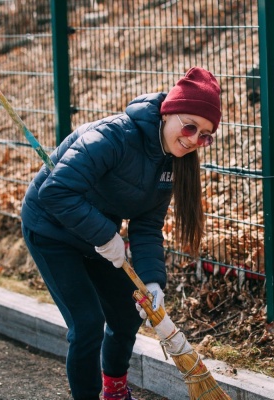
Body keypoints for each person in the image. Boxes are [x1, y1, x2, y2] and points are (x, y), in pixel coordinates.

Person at [20, 67, 222, 400]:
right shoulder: (114, 136)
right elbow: (55, 192)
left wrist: (152, 281)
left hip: (95, 234)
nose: (192, 139)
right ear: (168, 112)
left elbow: (147, 225)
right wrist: (105, 235)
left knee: (126, 313)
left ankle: (114, 391)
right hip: (50, 229)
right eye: (189, 126)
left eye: (204, 136)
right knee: (87, 324)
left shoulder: (171, 163)